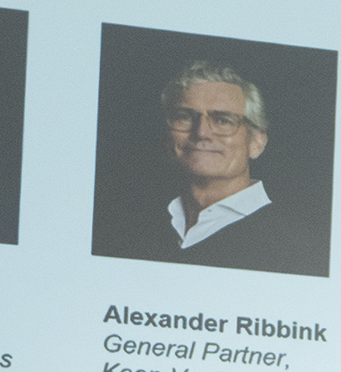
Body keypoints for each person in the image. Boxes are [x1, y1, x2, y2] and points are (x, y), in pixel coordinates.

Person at [109, 59, 321, 275]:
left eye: (223, 120)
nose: (201, 132)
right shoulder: (128, 226)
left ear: (256, 143)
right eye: (184, 117)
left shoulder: (296, 247)